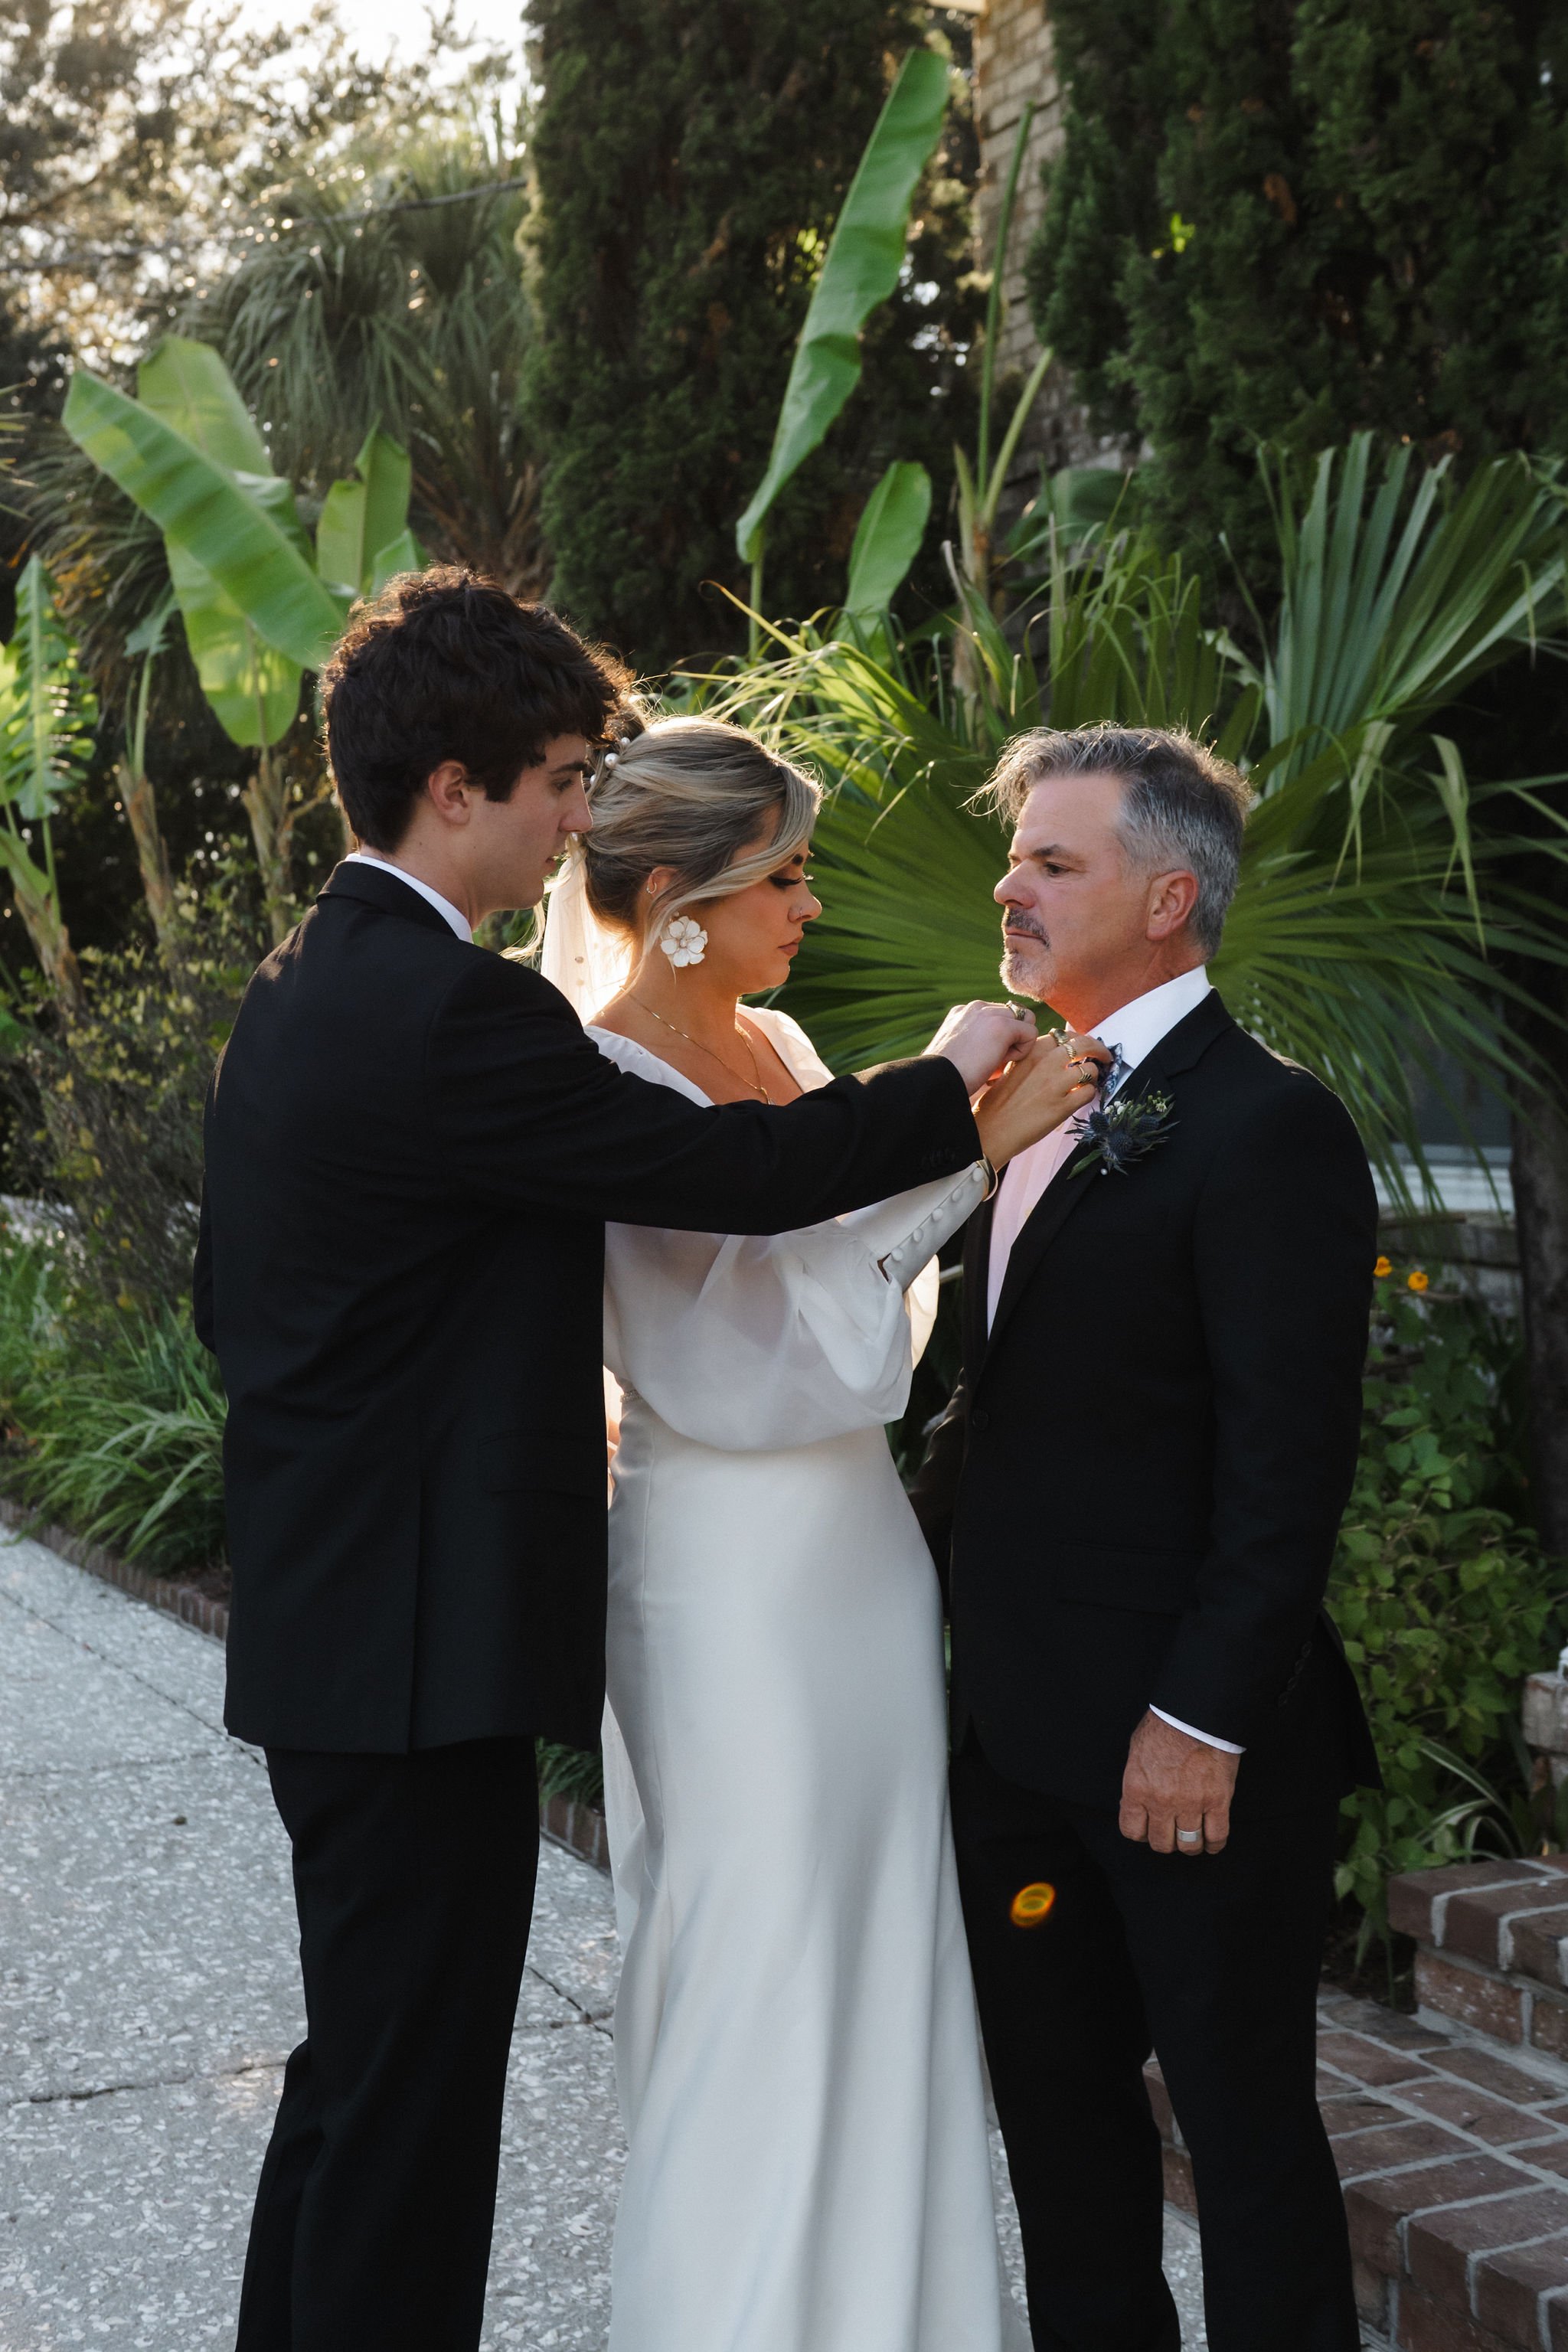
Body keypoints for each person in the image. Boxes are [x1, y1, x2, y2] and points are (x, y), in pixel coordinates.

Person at [194, 568, 1083, 2352]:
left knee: (366, 2069)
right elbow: (729, 1184)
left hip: (338, 1620)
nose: (571, 821)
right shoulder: (457, 1012)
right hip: (415, 1641)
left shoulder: (309, 983)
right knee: (410, 2100)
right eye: (553, 780)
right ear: (456, 786)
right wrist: (954, 1096)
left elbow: (236, 1306)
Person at [536, 712, 1102, 2352]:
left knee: (878, 1954)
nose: (813, 907)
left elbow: (864, 1333)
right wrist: (965, 1161)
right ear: (683, 894)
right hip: (725, 1586)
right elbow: (745, 1368)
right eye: (786, 875)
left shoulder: (781, 1060)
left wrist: (937, 1157)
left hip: (854, 1565)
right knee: (756, 1965)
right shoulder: (606, 1080)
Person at [911, 724, 1382, 2352]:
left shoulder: (1270, 1129)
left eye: (1055, 861)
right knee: (1059, 2142)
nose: (1010, 884)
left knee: (1244, 2142)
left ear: (1170, 897)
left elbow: (1284, 1467)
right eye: (1016, 856)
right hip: (1018, 1748)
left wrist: (1201, 1720)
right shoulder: (1021, 1103)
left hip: (1191, 1765)